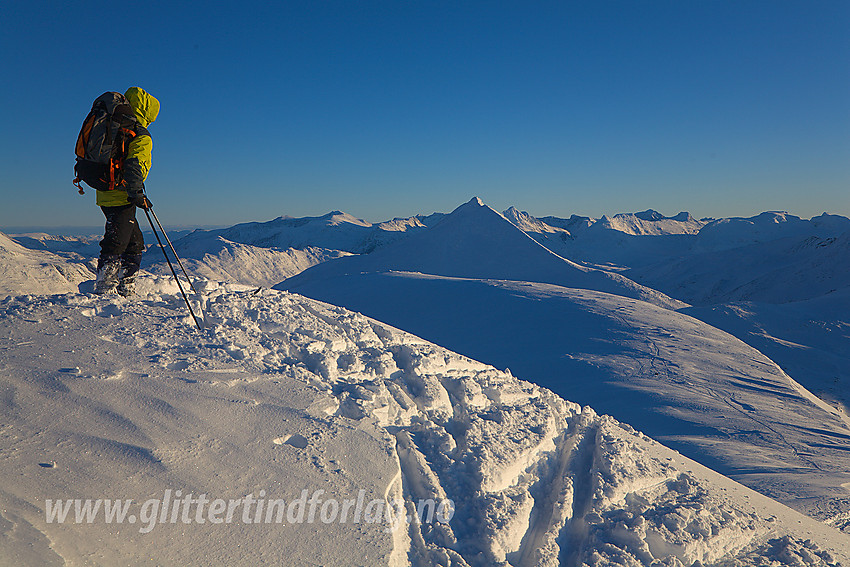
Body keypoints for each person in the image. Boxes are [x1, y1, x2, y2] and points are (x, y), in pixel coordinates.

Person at [94, 87, 160, 296]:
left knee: (134, 242)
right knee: (117, 242)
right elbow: (134, 164)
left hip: (106, 189)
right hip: (120, 194)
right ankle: (105, 290)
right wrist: (136, 194)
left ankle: (126, 289)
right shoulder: (139, 133)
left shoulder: (117, 126)